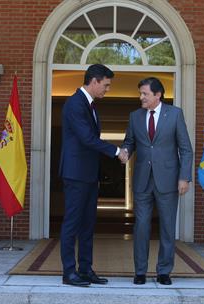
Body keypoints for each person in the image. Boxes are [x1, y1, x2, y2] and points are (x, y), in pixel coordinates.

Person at [59, 64, 128, 287]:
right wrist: (117, 151)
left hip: (89, 175)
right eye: (106, 85)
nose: (107, 89)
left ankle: (85, 269)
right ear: (95, 81)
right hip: (76, 174)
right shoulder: (75, 103)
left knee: (88, 224)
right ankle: (69, 272)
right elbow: (87, 138)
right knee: (72, 223)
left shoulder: (90, 105)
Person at [121, 77, 193, 285]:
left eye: (145, 94)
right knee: (141, 226)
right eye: (140, 93)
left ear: (158, 95)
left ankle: (164, 272)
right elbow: (130, 142)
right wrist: (125, 151)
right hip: (142, 180)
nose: (141, 97)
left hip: (169, 180)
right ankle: (140, 272)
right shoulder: (135, 116)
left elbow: (186, 149)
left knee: (168, 227)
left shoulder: (175, 114)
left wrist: (184, 177)